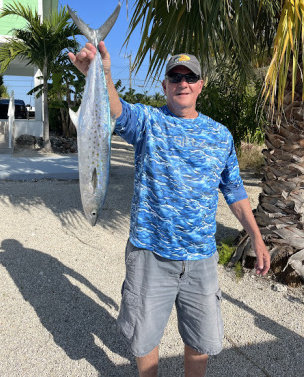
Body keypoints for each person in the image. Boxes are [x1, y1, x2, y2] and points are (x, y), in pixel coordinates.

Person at [69, 42, 270, 377]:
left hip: (201, 259)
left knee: (201, 339)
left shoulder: (220, 135)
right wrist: (102, 75)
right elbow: (117, 111)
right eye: (175, 76)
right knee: (144, 339)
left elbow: (235, 190)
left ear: (200, 85)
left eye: (190, 77)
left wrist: (256, 236)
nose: (183, 83)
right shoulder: (148, 121)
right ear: (164, 85)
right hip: (150, 255)